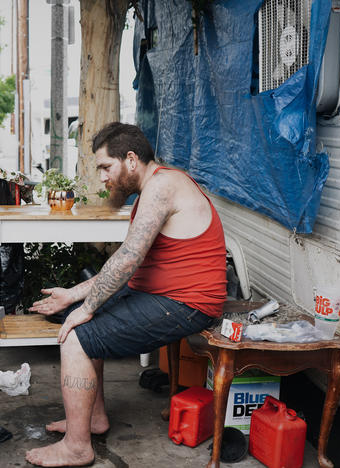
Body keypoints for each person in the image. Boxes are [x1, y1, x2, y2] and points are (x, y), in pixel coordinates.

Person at [25, 122, 227, 467]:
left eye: (106, 166)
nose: (103, 177)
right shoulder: (155, 187)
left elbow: (128, 258)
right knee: (81, 316)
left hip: (188, 304)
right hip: (164, 295)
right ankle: (93, 419)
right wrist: (72, 295)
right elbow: (124, 265)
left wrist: (86, 308)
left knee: (77, 336)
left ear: (131, 159)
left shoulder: (162, 186)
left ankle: (77, 447)